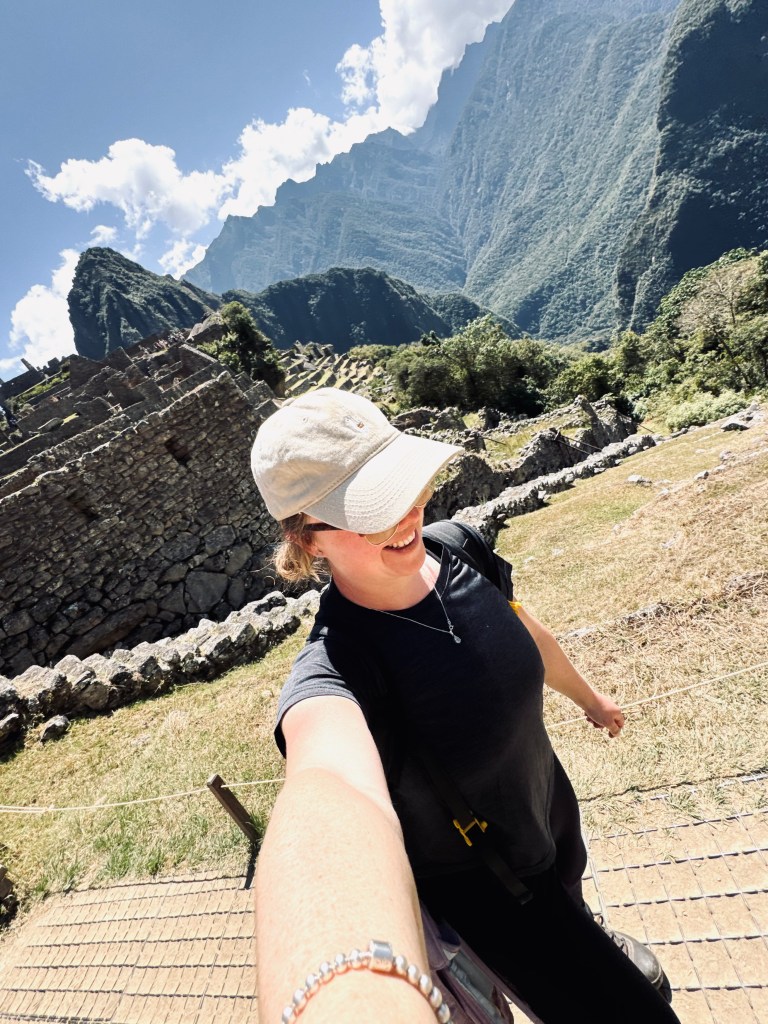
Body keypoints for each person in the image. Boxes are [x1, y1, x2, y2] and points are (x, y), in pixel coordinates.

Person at [251, 388, 680, 1024]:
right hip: (494, 891)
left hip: (543, 811)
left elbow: (522, 627)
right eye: (369, 510)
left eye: (405, 486)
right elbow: (329, 790)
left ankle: (588, 931)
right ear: (307, 539)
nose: (404, 516)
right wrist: (347, 994)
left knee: (571, 892)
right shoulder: (340, 670)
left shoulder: (458, 547)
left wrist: (589, 698)